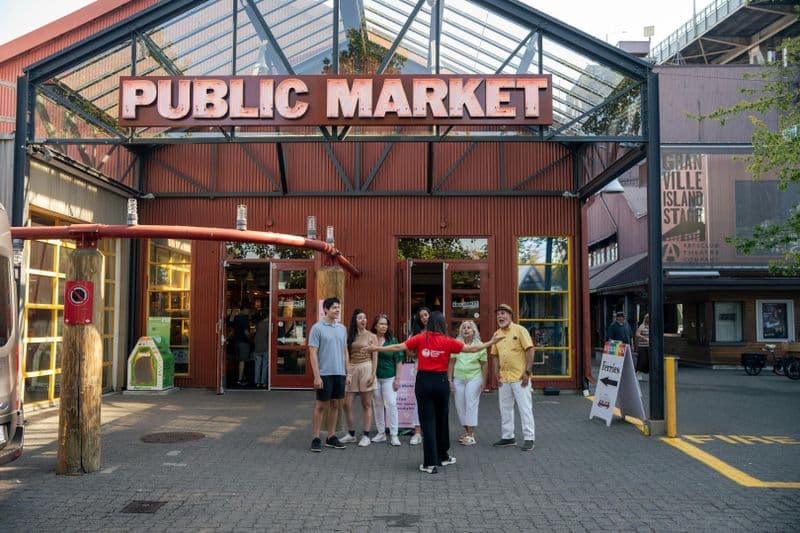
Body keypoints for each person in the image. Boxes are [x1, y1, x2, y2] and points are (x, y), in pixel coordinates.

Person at [370, 311, 502, 474]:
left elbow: (399, 347)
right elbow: (472, 348)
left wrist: (376, 348)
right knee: (441, 420)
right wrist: (491, 342)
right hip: (441, 383)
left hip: (424, 382)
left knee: (427, 423)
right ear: (442, 324)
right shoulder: (448, 341)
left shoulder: (420, 338)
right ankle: (443, 456)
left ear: (429, 323)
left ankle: (430, 463)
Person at [491, 304, 536, 452]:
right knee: (505, 409)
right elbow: (494, 355)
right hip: (504, 378)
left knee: (525, 408)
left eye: (503, 314)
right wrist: (496, 372)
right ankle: (508, 436)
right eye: (498, 314)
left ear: (510, 315)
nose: (500, 317)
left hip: (519, 377)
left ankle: (529, 438)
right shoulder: (497, 334)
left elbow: (530, 350)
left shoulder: (520, 330)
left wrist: (527, 372)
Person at [308, 297, 349, 452]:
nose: (337, 310)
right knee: (320, 405)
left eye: (338, 307)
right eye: (334, 308)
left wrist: (348, 372)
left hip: (339, 373)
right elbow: (313, 353)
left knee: (335, 405)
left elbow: (345, 351)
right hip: (324, 373)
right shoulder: (317, 328)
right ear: (325, 309)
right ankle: (316, 438)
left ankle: (331, 437)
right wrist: (317, 376)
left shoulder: (342, 329)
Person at [340, 308, 378, 447]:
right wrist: (348, 373)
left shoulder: (372, 336)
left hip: (367, 367)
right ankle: (351, 434)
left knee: (366, 404)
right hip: (352, 369)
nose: (363, 320)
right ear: (355, 321)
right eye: (360, 318)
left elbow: (375, 356)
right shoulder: (350, 336)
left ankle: (366, 435)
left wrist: (373, 374)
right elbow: (347, 356)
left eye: (365, 318)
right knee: (346, 404)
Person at [448, 320, 488, 446]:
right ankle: (467, 432)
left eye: (469, 328)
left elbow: (484, 365)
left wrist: (484, 382)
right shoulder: (457, 343)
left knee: (471, 403)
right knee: (460, 405)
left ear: (474, 331)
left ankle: (471, 435)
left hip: (474, 378)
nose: (466, 329)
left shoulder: (480, 345)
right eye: (464, 328)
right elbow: (451, 362)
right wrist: (450, 380)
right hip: (458, 378)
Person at [370, 314, 404, 446]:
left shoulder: (393, 340)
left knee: (391, 404)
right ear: (375, 326)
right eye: (381, 324)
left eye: (385, 324)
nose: (383, 326)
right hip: (375, 378)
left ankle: (394, 434)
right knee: (377, 404)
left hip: (389, 378)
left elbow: (399, 360)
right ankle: (381, 433)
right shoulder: (371, 340)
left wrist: (398, 379)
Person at [405, 306, 430, 445]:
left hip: (434, 371)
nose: (425, 318)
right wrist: (417, 353)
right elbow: (408, 351)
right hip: (419, 369)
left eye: (426, 315)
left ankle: (430, 431)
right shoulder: (415, 333)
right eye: (422, 316)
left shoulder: (438, 332)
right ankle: (417, 432)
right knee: (418, 402)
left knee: (431, 403)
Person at [230, 304, 252, 387]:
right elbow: (246, 332)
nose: (249, 312)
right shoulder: (244, 318)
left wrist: (233, 312)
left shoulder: (236, 317)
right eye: (248, 310)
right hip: (243, 342)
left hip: (236, 341)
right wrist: (251, 338)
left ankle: (242, 377)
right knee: (242, 361)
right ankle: (240, 380)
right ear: (244, 309)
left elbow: (230, 323)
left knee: (239, 360)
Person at [252, 311, 269, 388]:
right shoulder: (269, 324)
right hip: (265, 347)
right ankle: (263, 382)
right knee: (265, 365)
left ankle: (257, 382)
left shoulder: (258, 324)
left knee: (257, 365)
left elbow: (255, 334)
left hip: (257, 347)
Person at [635, 313, 650, 381]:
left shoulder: (651, 326)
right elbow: (637, 334)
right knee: (642, 360)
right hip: (642, 346)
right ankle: (638, 373)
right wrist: (644, 338)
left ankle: (647, 373)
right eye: (648, 318)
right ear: (646, 319)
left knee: (648, 361)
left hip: (649, 346)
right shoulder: (642, 326)